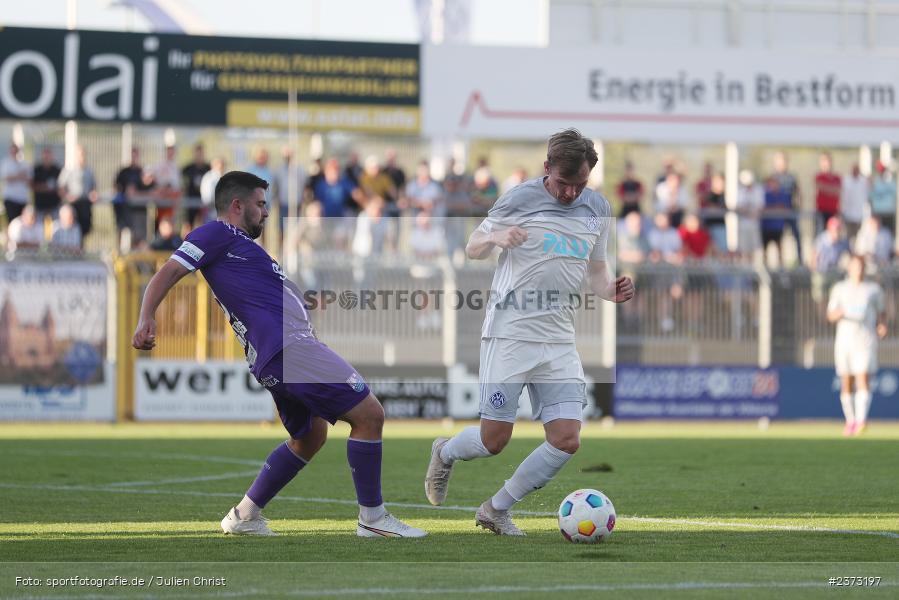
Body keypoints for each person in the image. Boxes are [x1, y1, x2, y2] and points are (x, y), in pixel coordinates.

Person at [132, 171, 426, 538]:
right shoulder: (215, 233)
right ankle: (373, 519)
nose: (266, 212)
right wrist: (147, 317)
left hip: (281, 350)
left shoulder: (242, 246)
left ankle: (244, 515)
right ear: (237, 206)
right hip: (288, 348)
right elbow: (169, 271)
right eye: (260, 204)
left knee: (310, 437)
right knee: (369, 415)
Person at [424, 129, 634, 535]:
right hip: (511, 332)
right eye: (563, 183)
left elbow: (596, 271)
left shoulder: (597, 209)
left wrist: (612, 290)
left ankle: (496, 509)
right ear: (546, 169)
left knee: (567, 438)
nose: (571, 193)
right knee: (494, 440)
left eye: (580, 184)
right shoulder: (519, 198)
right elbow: (473, 246)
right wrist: (497, 236)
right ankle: (445, 451)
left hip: (558, 339)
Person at [826, 254, 887, 436]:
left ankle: (861, 421)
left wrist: (882, 325)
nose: (858, 270)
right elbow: (830, 315)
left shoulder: (873, 290)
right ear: (849, 268)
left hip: (865, 341)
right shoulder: (839, 289)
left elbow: (881, 312)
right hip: (845, 342)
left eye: (861, 266)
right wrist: (842, 312)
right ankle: (850, 421)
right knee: (847, 381)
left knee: (863, 378)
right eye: (855, 266)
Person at [57, 145, 98, 241]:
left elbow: (93, 188)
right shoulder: (68, 170)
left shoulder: (89, 171)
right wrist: (67, 196)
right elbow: (61, 188)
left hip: (85, 204)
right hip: (73, 205)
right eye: (79, 155)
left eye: (82, 154)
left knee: (84, 230)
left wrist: (93, 195)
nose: (81, 157)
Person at [182, 143, 211, 227]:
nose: (199, 156)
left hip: (204, 202)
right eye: (197, 153)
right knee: (188, 224)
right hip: (190, 201)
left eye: (201, 154)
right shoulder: (187, 169)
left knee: (204, 225)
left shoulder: (208, 168)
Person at [1, 143, 31, 223]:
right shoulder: (6, 163)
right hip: (10, 198)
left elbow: (29, 180)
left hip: (22, 199)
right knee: (12, 222)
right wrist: (19, 175)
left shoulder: (25, 164)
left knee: (23, 223)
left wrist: (15, 177)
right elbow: (7, 178)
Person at [31, 147, 61, 221]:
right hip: (40, 206)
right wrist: (45, 187)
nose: (47, 158)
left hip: (54, 205)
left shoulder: (57, 170)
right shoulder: (37, 170)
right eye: (45, 156)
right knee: (40, 229)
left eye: (48, 156)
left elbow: (60, 186)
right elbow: (32, 185)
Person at [814, 152, 841, 233]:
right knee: (820, 234)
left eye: (828, 160)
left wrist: (826, 188)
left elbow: (838, 191)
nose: (826, 163)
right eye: (824, 160)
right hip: (821, 211)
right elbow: (820, 187)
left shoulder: (837, 177)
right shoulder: (818, 176)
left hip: (834, 211)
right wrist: (831, 189)